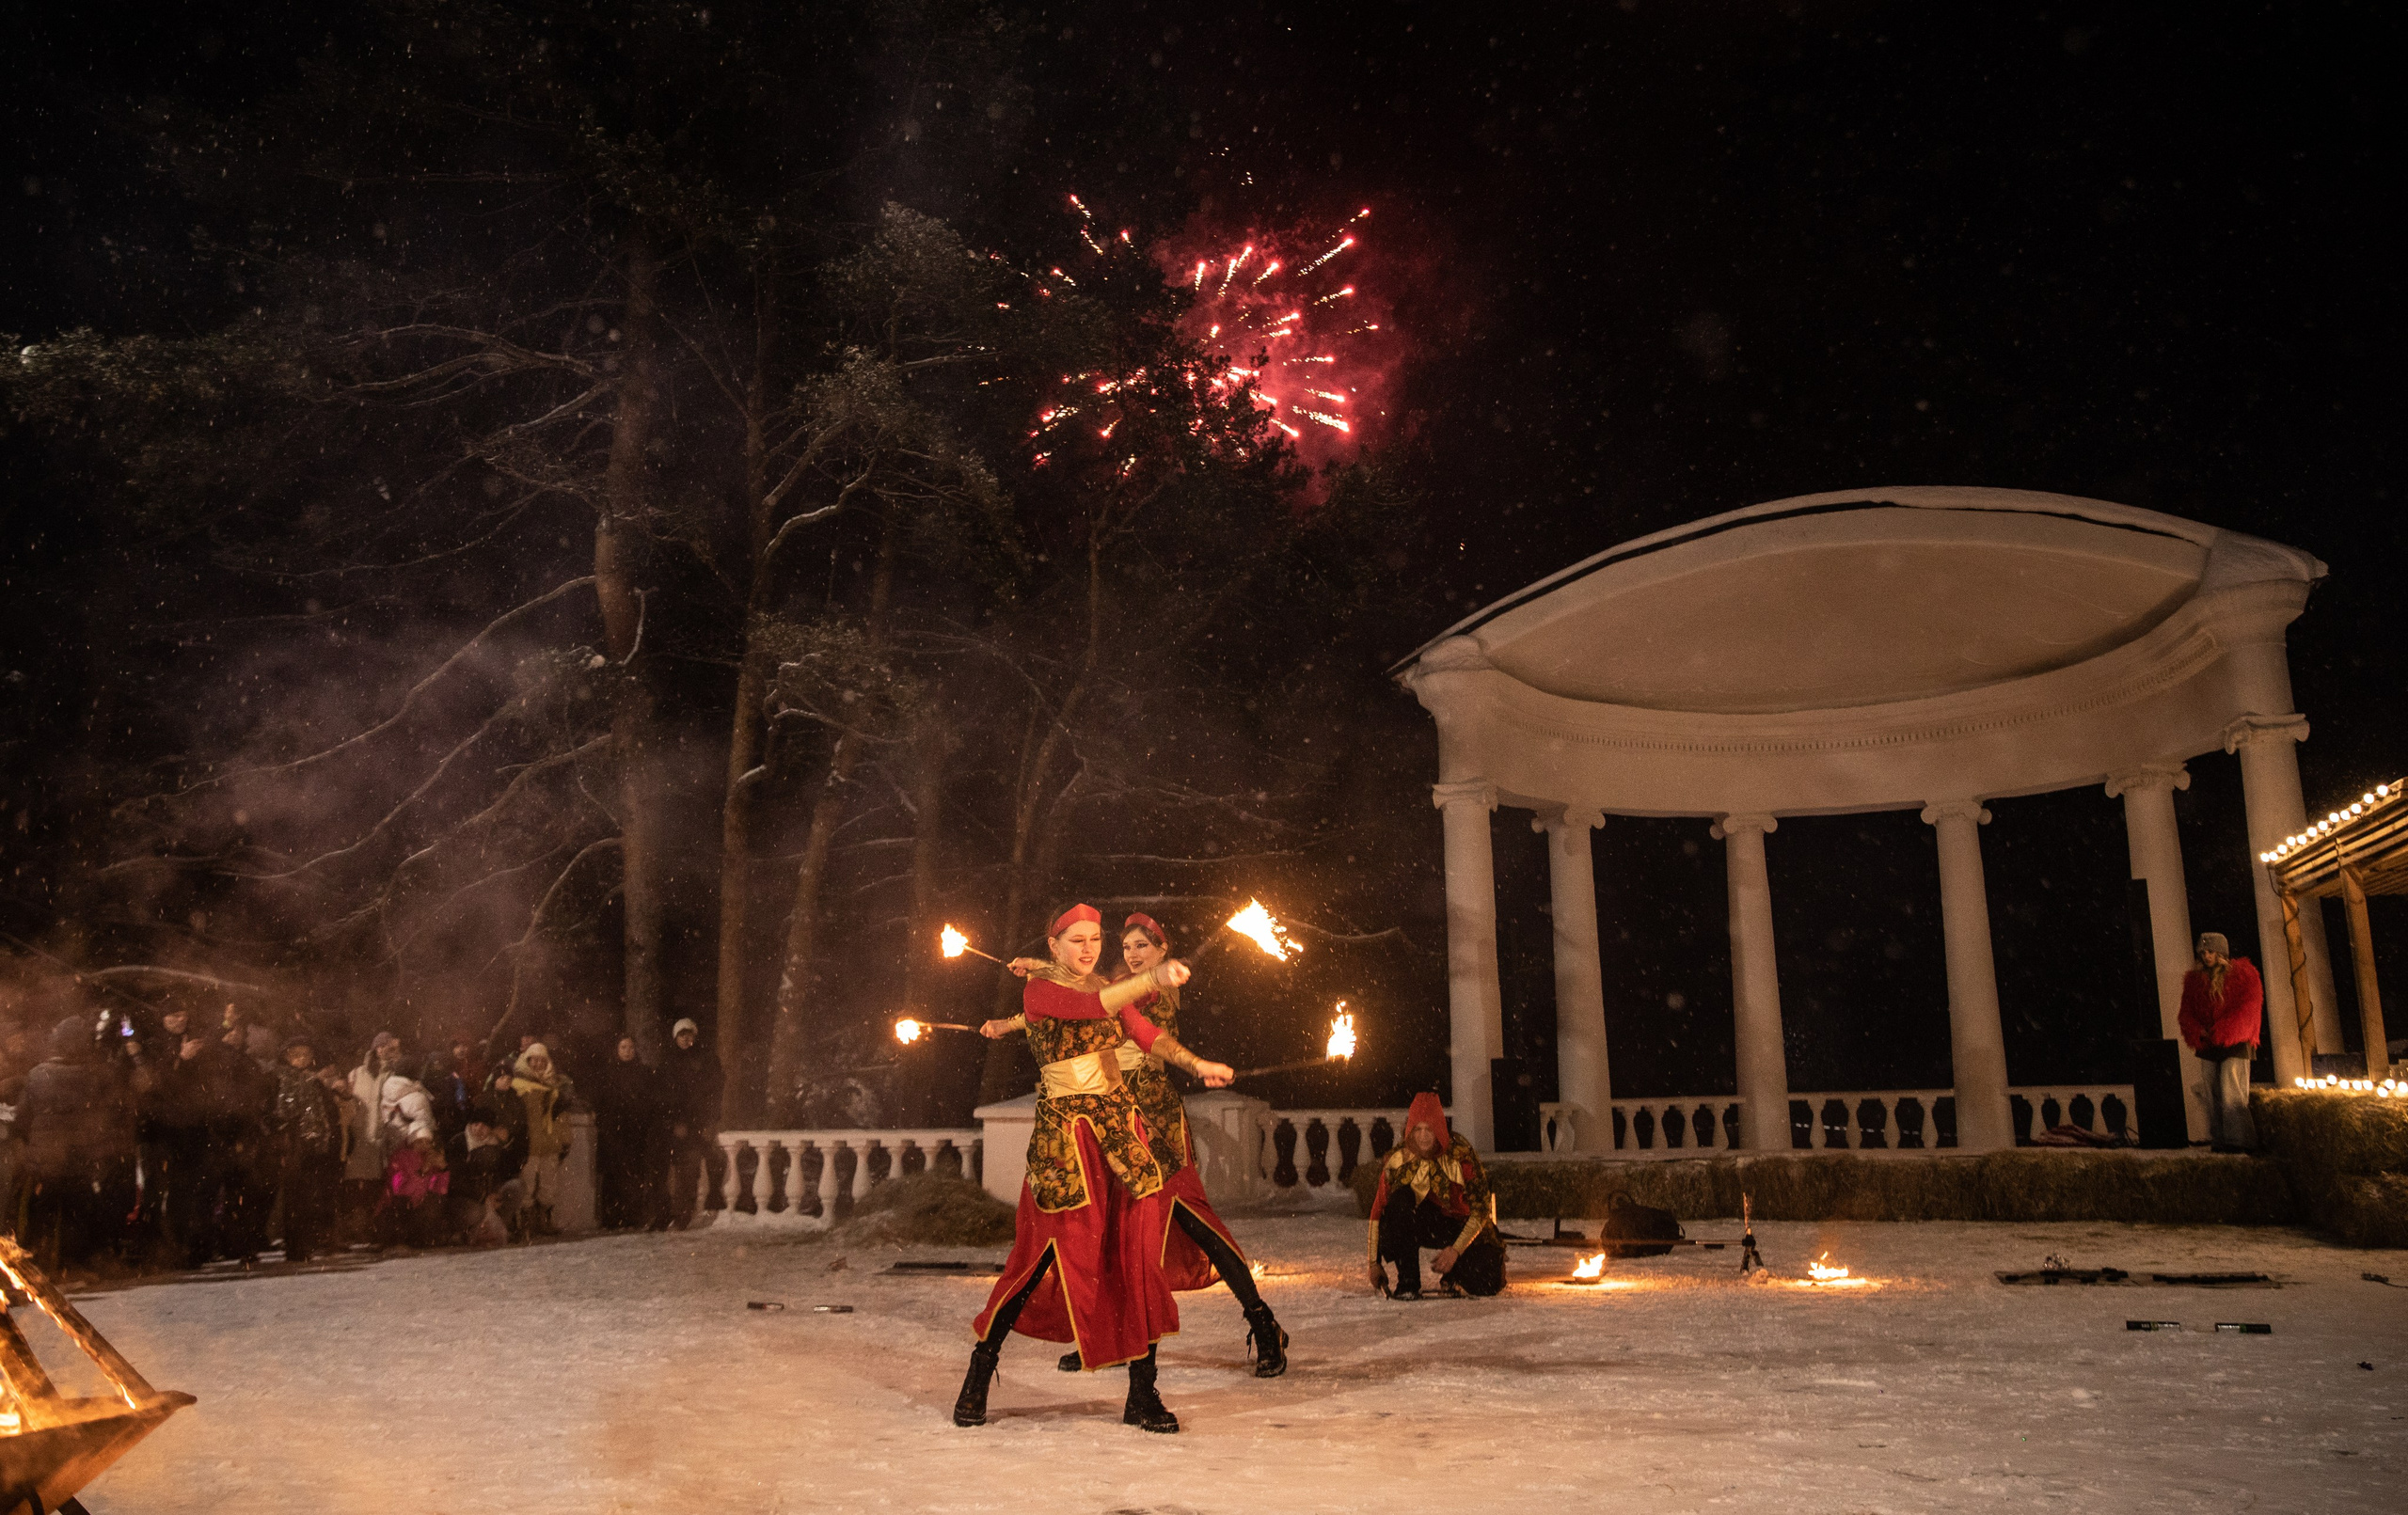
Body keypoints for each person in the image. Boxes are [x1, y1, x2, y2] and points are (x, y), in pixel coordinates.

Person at [956, 904, 1236, 1434]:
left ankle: (1142, 1393)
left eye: (1094, 940)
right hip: (1068, 1139)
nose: (1089, 949)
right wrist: (1151, 975)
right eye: (1076, 940)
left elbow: (1143, 1032)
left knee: (1138, 1258)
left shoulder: (1098, 988)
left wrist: (1197, 1064)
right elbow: (1091, 1005)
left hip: (1120, 1130)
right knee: (1036, 1260)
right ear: (1054, 944)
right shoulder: (1041, 993)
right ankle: (979, 1371)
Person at [1006, 914, 1288, 1378]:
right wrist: (1041, 971)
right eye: (1128, 947)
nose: (1133, 955)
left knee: (1196, 1223)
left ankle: (1264, 1326)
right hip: (1113, 1115)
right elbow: (1077, 1002)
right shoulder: (1118, 983)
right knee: (1113, 1231)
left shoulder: (1152, 990)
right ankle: (1109, 1336)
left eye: (1143, 948)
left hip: (1154, 1116)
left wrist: (1193, 1057)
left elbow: (1105, 1000)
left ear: (1162, 953)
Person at [12, 1015, 137, 1274]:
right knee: (76, 1215)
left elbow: (22, 1117)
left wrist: (32, 1147)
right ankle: (74, 1266)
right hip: (81, 1159)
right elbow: (113, 1114)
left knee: (43, 1214)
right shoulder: (98, 1074)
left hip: (45, 1160)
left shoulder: (38, 1075)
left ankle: (38, 1266)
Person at [1367, 1092, 1507, 1299]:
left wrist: (1455, 1251)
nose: (1423, 1136)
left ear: (1439, 1130)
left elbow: (1480, 1209)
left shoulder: (1461, 1155)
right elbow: (1378, 1210)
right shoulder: (1397, 1160)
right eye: (1418, 1129)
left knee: (1487, 1284)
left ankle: (1455, 1274)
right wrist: (1373, 1263)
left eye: (1429, 1129)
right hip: (1423, 1223)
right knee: (1399, 1201)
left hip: (1461, 1226)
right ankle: (1408, 1282)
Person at [2178, 930, 2264, 1154]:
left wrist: (2225, 1030)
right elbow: (2186, 1012)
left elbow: (2249, 1008)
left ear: (2221, 953)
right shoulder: (2195, 981)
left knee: (2231, 1090)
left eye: (2211, 952)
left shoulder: (2244, 974)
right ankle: (2220, 1139)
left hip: (2235, 1042)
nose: (2207, 956)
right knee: (2212, 1090)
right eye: (2203, 952)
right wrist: (2199, 1031)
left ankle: (2239, 1141)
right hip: (2209, 1044)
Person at [267, 1037, 344, 1263]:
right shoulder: (282, 1077)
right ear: (287, 1056)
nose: (302, 1058)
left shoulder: (314, 1080)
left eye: (306, 1054)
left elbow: (326, 1111)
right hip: (295, 1146)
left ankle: (310, 1241)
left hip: (316, 1146)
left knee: (312, 1196)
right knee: (295, 1197)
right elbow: (286, 1108)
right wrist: (312, 1081)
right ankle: (296, 1246)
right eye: (296, 1054)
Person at [589, 1034, 660, 1229]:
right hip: (613, 1134)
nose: (627, 1052)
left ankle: (632, 1216)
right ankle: (611, 1218)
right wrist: (606, 1124)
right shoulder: (607, 1073)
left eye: (630, 1048)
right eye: (623, 1047)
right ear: (616, 1050)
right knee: (613, 1176)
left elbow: (651, 1101)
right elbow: (599, 1102)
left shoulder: (644, 1073)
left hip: (636, 1133)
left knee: (634, 1175)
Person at [658, 1018, 723, 1230]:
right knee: (685, 1170)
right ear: (675, 1038)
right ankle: (681, 1215)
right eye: (681, 1035)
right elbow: (666, 1096)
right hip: (681, 1125)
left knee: (715, 1162)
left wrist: (710, 1121)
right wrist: (675, 1122)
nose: (686, 1039)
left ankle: (716, 1208)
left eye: (690, 1034)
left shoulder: (707, 1060)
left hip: (702, 1122)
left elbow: (714, 1093)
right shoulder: (669, 1063)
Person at [508, 1043, 576, 1235]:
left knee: (549, 1184)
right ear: (527, 1061)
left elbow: (560, 1116)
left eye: (541, 1060)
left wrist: (565, 1138)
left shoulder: (555, 1085)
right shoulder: (517, 1085)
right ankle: (526, 1223)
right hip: (529, 1142)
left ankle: (544, 1220)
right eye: (534, 1060)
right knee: (527, 1183)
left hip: (549, 1141)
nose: (538, 1064)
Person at [442, 1104, 525, 1244]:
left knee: (516, 1187)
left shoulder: (494, 1143)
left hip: (490, 1194)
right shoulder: (459, 1143)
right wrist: (483, 1197)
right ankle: (469, 1232)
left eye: (485, 1125)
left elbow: (510, 1170)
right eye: (476, 1124)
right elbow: (454, 1180)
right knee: (476, 1212)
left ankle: (495, 1227)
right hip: (464, 1198)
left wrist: (505, 1144)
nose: (479, 1128)